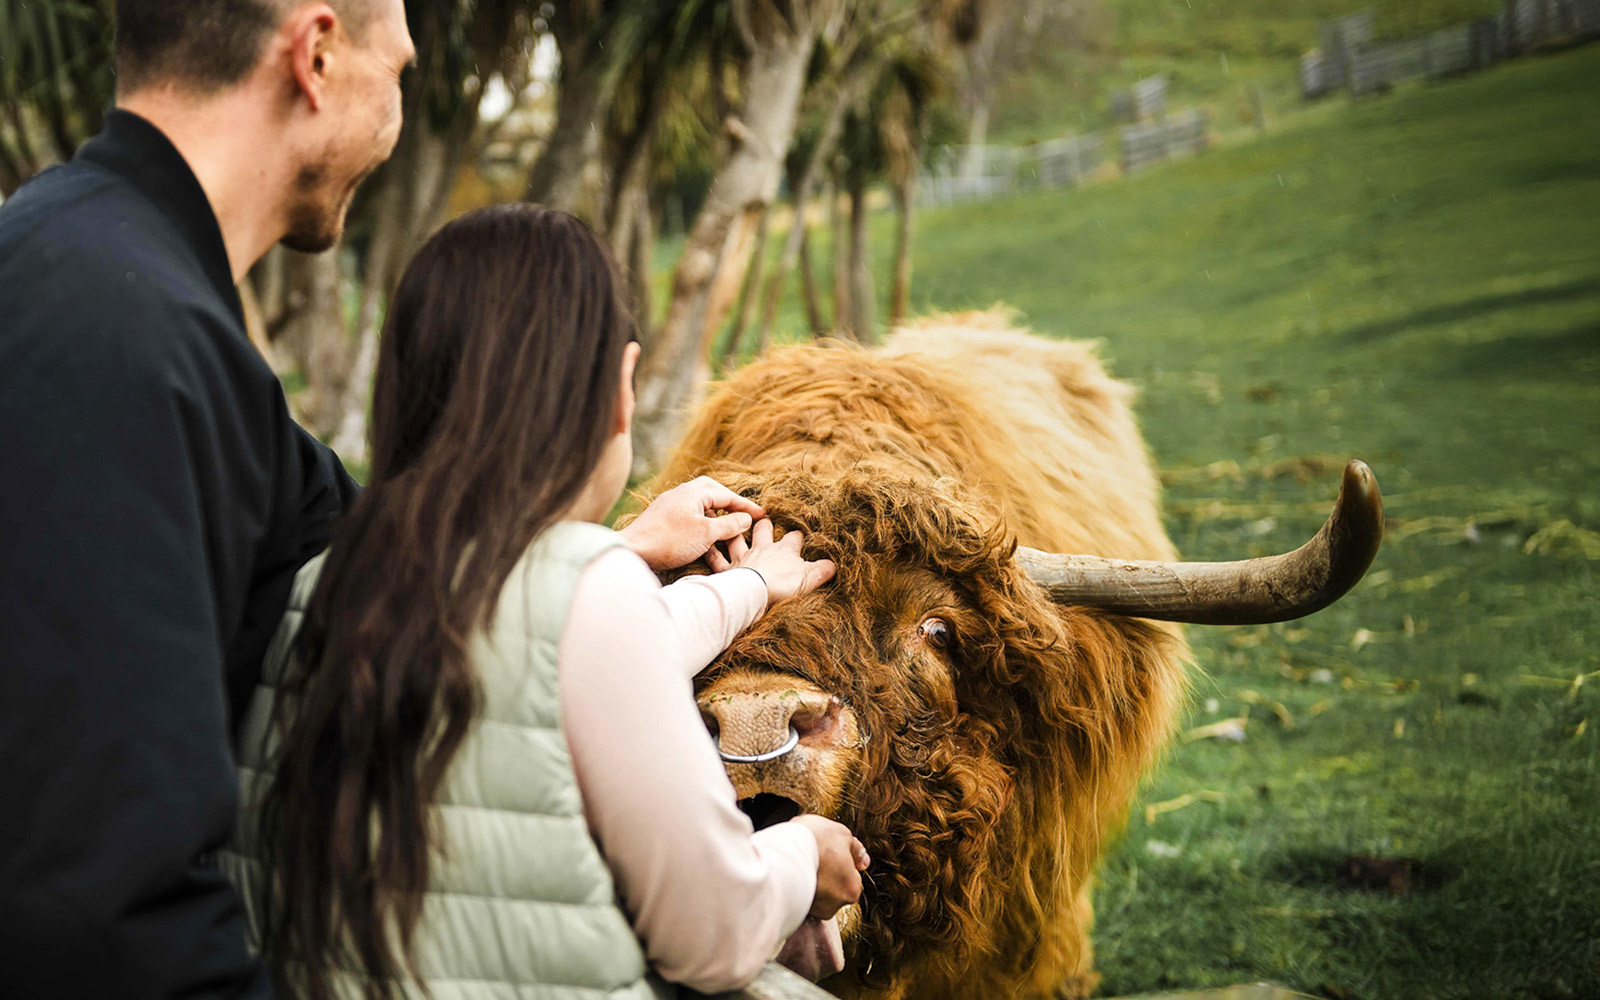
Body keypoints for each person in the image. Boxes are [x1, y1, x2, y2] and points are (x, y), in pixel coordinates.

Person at [224, 204, 866, 1000]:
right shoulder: (587, 594)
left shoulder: (320, 583)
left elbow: (555, 648)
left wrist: (747, 588)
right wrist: (803, 853)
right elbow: (717, 933)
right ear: (619, 392)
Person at [0, 1, 412, 996]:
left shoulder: (81, 256)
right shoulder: (126, 336)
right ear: (316, 55)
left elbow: (355, 532)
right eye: (398, 70)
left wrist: (598, 565)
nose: (400, 105)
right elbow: (105, 917)